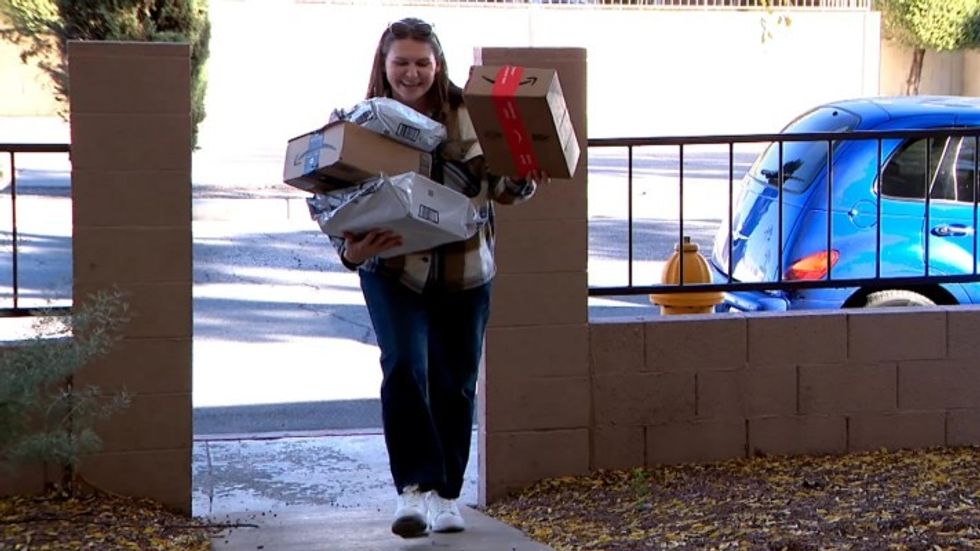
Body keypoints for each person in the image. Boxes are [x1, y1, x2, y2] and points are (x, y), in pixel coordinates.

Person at [331, 17, 548, 539]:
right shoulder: (363, 122)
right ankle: (412, 491)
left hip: (465, 270)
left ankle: (447, 496)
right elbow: (333, 198)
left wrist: (524, 172)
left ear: (438, 65)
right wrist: (351, 250)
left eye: (422, 63)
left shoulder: (473, 116)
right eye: (401, 62)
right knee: (404, 367)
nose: (412, 73)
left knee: (455, 384)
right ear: (384, 65)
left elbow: (507, 189)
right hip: (392, 269)